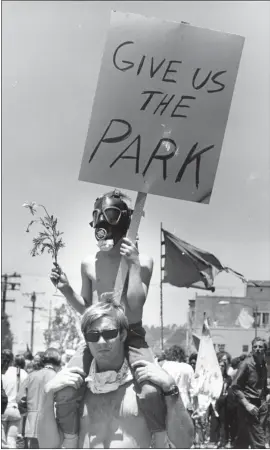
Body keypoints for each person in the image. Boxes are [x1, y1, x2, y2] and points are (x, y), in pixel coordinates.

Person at [50, 189, 167, 448]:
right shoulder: (88, 263)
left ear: (124, 220)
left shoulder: (144, 261)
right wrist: (66, 289)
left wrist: (134, 264)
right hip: (96, 337)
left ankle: (160, 440)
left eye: (111, 215)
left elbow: (136, 305)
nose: (102, 222)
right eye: (98, 215)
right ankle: (70, 440)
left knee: (151, 391)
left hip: (131, 335)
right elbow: (87, 311)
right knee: (65, 391)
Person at [37, 300, 194, 448]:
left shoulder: (145, 383)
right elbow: (48, 446)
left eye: (109, 334)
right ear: (86, 339)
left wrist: (171, 389)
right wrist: (47, 394)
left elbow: (184, 444)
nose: (101, 342)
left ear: (123, 335)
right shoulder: (77, 387)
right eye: (93, 335)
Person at [17, 347, 61, 449]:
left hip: (31, 426)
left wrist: (28, 411)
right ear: (58, 362)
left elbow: (20, 399)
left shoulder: (31, 376)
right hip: (51, 426)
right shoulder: (58, 377)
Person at [231, 337, 270, 449]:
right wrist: (247, 404)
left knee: (243, 440)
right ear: (252, 349)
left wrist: (267, 393)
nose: (257, 349)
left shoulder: (264, 365)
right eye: (255, 346)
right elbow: (235, 386)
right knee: (259, 440)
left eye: (260, 346)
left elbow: (262, 387)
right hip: (248, 405)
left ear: (265, 349)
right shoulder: (246, 364)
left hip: (260, 406)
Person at [2, 349, 28, 448]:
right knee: (11, 439)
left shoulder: (3, 371)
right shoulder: (23, 373)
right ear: (13, 360)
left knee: (2, 442)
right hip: (15, 410)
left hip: (3, 410)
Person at [161, 345, 195, 412]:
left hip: (168, 399)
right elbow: (193, 389)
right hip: (185, 400)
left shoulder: (166, 365)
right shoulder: (188, 367)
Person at [209, 353, 232, 448]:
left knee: (224, 422)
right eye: (220, 365)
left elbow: (229, 389)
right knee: (214, 421)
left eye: (223, 365)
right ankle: (214, 441)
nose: (221, 367)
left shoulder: (228, 378)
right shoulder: (213, 377)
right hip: (214, 402)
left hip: (225, 402)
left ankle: (223, 441)